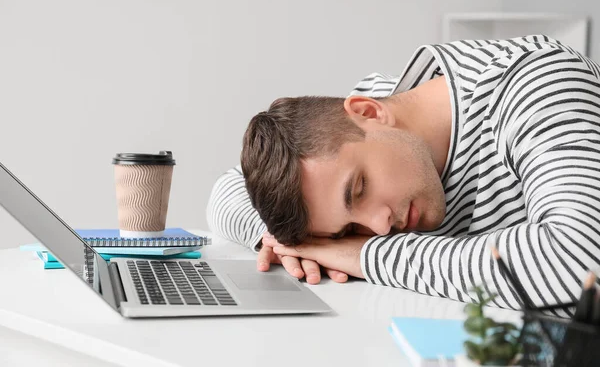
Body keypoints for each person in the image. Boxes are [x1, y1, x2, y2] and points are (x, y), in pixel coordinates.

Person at [207, 35, 600, 312]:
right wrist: (291, 243)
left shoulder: (537, 85)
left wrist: (363, 255)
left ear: (369, 111)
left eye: (358, 190)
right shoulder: (367, 127)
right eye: (348, 230)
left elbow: (580, 257)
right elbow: (225, 191)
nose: (379, 226)